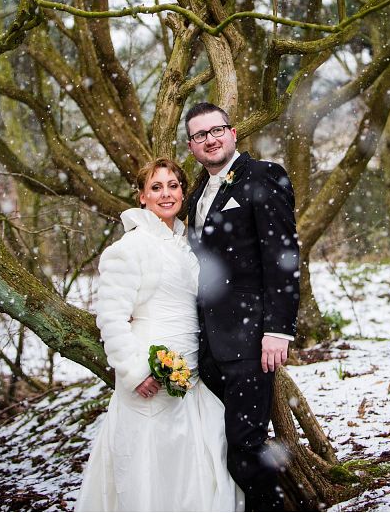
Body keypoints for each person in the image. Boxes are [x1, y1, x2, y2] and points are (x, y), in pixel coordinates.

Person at [76, 158, 242, 512]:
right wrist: (135, 372)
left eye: (173, 185)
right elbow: (111, 319)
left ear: (183, 192)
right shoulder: (129, 249)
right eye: (156, 187)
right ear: (141, 197)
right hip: (149, 380)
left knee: (204, 466)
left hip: (192, 378)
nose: (166, 193)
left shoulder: (186, 246)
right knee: (150, 474)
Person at [184, 102, 301, 512]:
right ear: (191, 146)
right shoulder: (196, 192)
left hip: (252, 340)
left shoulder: (264, 175)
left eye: (216, 130)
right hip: (210, 345)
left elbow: (282, 257)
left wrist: (278, 330)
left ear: (233, 133)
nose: (210, 139)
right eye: (200, 135)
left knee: (246, 444)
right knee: (221, 442)